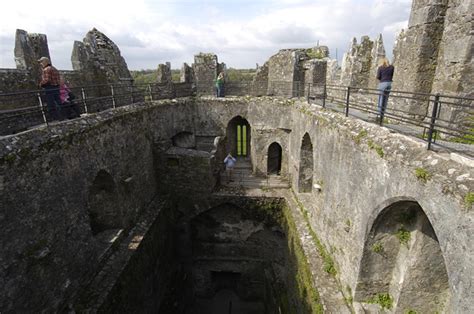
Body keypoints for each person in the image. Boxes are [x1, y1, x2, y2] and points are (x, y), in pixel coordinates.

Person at [38, 56, 63, 121]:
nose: (41, 64)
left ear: (45, 62)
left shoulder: (46, 69)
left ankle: (56, 118)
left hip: (49, 87)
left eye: (41, 62)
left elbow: (47, 80)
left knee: (51, 104)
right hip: (56, 87)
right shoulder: (55, 69)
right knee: (58, 102)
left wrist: (40, 84)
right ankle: (62, 116)